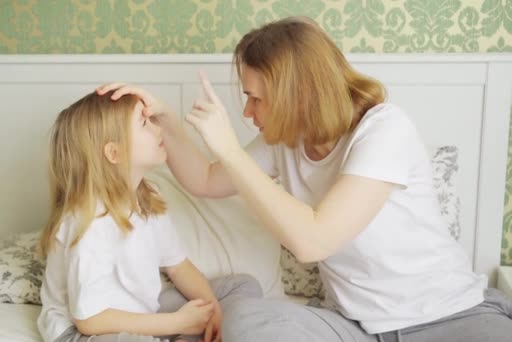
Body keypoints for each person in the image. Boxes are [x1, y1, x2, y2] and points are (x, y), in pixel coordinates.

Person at [97, 16, 512, 342]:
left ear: (299, 93)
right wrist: (166, 119)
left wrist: (229, 149)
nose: (248, 113)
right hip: (354, 328)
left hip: (448, 318)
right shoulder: (287, 141)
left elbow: (314, 240)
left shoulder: (384, 129)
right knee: (245, 319)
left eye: (255, 98)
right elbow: (205, 180)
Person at [36, 91, 263, 342]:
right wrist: (176, 322)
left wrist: (211, 309)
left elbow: (178, 267)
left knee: (243, 286)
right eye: (144, 124)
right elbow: (90, 320)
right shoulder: (89, 221)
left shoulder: (147, 196)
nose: (158, 129)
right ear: (114, 153)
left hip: (140, 311)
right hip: (81, 330)